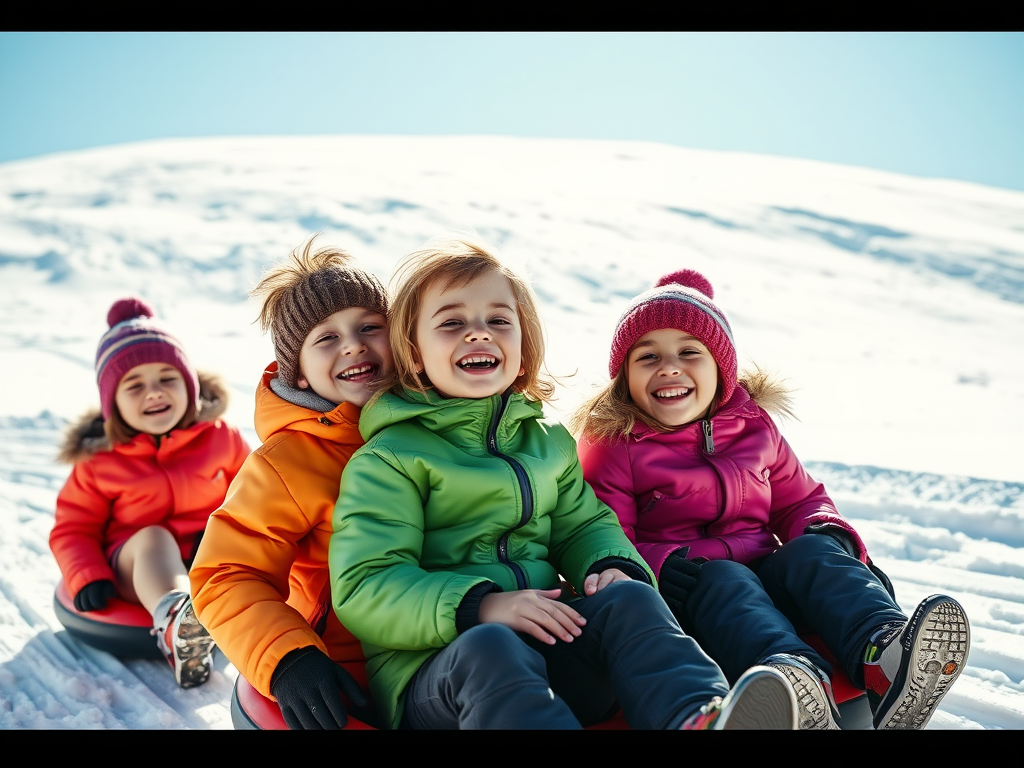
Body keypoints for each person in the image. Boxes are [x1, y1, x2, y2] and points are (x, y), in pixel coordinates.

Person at [329, 235, 800, 731]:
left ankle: (695, 719)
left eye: (498, 320)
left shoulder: (547, 443)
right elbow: (366, 585)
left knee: (630, 599)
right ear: (413, 353)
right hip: (440, 674)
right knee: (490, 646)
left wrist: (611, 564)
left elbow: (583, 525)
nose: (477, 334)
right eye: (451, 323)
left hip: (550, 641)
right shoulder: (391, 459)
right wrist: (483, 606)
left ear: (523, 347)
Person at [571, 268, 971, 730]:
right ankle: (795, 681)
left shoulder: (753, 425)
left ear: (721, 367)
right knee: (726, 579)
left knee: (814, 552)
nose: (669, 367)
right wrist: (660, 565)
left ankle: (887, 655)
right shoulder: (614, 442)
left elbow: (798, 500)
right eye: (647, 357)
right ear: (624, 377)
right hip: (692, 593)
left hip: (768, 573)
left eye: (689, 352)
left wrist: (825, 529)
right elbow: (603, 537)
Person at [189, 236, 392, 730]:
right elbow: (228, 572)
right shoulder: (288, 463)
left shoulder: (443, 426)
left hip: (458, 637)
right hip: (346, 666)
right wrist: (290, 658)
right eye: (326, 338)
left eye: (370, 326)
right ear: (297, 374)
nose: (353, 344)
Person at [50, 297, 250, 689]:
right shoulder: (100, 460)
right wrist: (86, 575)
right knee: (154, 537)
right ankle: (179, 622)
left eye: (167, 378)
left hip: (205, 558)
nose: (154, 393)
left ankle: (210, 610)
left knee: (233, 532)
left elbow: (254, 497)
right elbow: (72, 528)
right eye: (135, 385)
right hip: (134, 566)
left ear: (190, 385)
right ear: (113, 403)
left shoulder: (221, 439)